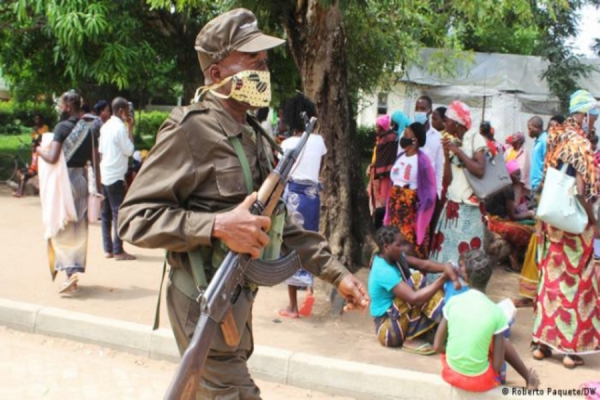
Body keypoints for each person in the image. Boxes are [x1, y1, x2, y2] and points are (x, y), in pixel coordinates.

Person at [116, 9, 369, 399]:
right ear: (216, 74)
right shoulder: (190, 130)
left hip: (235, 301)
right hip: (201, 298)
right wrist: (217, 226)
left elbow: (280, 226)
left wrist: (338, 274)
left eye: (264, 62)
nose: (263, 70)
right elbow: (133, 220)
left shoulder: (253, 134)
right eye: (252, 62)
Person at [531, 89, 600, 368]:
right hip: (574, 225)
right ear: (584, 115)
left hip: (552, 224)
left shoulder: (555, 139)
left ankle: (542, 345)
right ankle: (570, 351)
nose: (594, 122)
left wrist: (539, 222)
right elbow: (581, 191)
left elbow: (546, 183)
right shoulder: (581, 144)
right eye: (593, 116)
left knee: (550, 281)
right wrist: (593, 221)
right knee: (577, 283)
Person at [433, 249, 540, 392]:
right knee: (499, 339)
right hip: (481, 381)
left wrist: (458, 355)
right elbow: (497, 366)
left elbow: (437, 346)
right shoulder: (496, 313)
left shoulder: (453, 303)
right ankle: (528, 378)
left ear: (466, 276)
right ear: (490, 276)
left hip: (451, 374)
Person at [36, 90, 99, 294]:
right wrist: (96, 188)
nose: (60, 109)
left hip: (64, 181)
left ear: (69, 106)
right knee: (78, 227)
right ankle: (73, 270)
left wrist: (39, 151)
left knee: (62, 224)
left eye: (62, 105)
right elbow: (94, 160)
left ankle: (69, 273)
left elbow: (53, 157)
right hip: (81, 180)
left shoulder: (61, 127)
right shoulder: (88, 129)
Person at [368, 226, 458, 354]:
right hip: (388, 330)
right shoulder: (383, 270)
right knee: (417, 281)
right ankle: (411, 338)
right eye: (399, 245)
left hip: (396, 318)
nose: (404, 248)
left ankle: (446, 321)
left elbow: (423, 264)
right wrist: (443, 279)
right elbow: (413, 298)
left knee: (423, 286)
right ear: (387, 247)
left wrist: (446, 267)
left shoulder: (392, 257)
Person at [278, 94, 327, 319]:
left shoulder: (287, 144)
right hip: (313, 196)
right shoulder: (319, 141)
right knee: (309, 240)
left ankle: (292, 307)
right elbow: (321, 166)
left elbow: (280, 173)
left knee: (290, 245)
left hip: (294, 196)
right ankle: (309, 288)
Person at [430, 101, 487, 277]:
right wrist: (447, 156)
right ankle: (445, 285)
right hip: (453, 206)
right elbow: (448, 179)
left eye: (447, 120)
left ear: (456, 122)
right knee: (448, 250)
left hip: (470, 209)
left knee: (467, 253)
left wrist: (458, 151)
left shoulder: (475, 138)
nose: (444, 124)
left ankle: (465, 288)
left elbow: (479, 170)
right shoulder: (454, 141)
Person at [384, 122, 436, 258]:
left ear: (415, 140)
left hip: (409, 209)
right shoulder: (400, 157)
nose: (403, 137)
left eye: (407, 134)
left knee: (407, 241)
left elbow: (430, 189)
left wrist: (421, 206)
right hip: (395, 205)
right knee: (393, 237)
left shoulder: (423, 161)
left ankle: (412, 270)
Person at [99, 97, 136, 261]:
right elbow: (129, 150)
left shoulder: (105, 126)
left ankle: (108, 249)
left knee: (106, 213)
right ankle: (118, 250)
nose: (128, 114)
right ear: (121, 111)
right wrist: (131, 128)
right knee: (118, 213)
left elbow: (101, 151)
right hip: (116, 176)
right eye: (127, 111)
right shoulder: (120, 128)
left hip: (105, 173)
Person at [484, 160, 535, 272]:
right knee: (528, 232)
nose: (519, 175)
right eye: (516, 173)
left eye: (519, 172)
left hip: (490, 220)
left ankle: (512, 256)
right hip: (497, 223)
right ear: (509, 174)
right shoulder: (508, 188)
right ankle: (514, 256)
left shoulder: (500, 183)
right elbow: (513, 216)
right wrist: (529, 214)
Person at [367, 114, 397, 229]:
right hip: (377, 172)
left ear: (382, 126)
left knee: (382, 200)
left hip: (384, 175)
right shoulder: (382, 139)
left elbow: (385, 158)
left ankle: (381, 225)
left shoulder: (388, 139)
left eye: (378, 126)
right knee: (375, 198)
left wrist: (376, 167)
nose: (376, 129)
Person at [414, 96, 443, 199]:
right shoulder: (407, 134)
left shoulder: (437, 137)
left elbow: (439, 168)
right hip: (409, 188)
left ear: (430, 111)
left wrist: (437, 193)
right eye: (417, 108)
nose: (419, 111)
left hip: (428, 190)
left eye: (422, 109)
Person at [527, 116, 546, 193]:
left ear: (537, 127)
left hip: (540, 185)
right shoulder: (538, 141)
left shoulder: (544, 140)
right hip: (535, 184)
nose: (528, 132)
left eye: (530, 128)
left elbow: (547, 162)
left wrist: (542, 183)